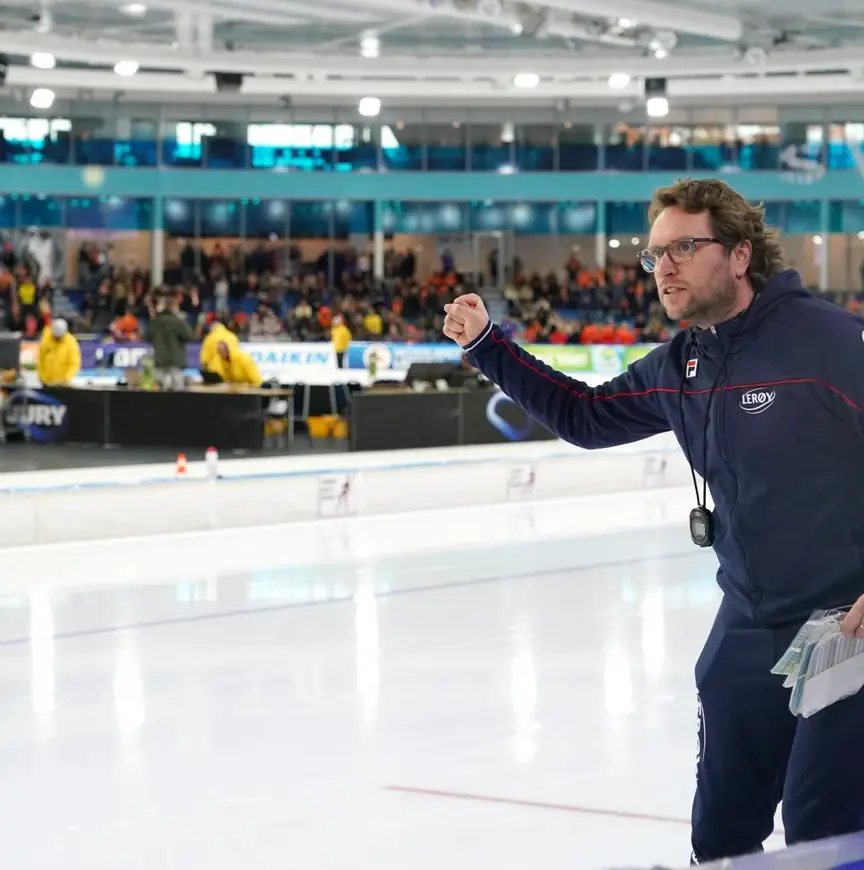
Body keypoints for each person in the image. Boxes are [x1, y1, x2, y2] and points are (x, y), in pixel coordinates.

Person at [442, 178, 864, 863]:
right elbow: (584, 416)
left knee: (823, 826)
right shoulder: (683, 363)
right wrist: (490, 346)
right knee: (719, 832)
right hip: (749, 624)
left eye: (684, 248)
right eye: (655, 254)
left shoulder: (828, 343)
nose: (663, 267)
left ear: (739, 255)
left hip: (848, 624)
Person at [145, 292, 194, 391]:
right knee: (177, 390)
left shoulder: (156, 321)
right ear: (174, 307)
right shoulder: (177, 321)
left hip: (159, 360)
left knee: (159, 391)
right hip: (175, 361)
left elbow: (147, 337)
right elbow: (189, 336)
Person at [37, 318, 80, 386]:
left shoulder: (71, 343)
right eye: (55, 337)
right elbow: (40, 360)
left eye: (60, 337)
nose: (57, 339)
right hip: (46, 382)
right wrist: (42, 378)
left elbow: (74, 363)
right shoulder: (46, 340)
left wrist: (66, 379)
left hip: (63, 384)